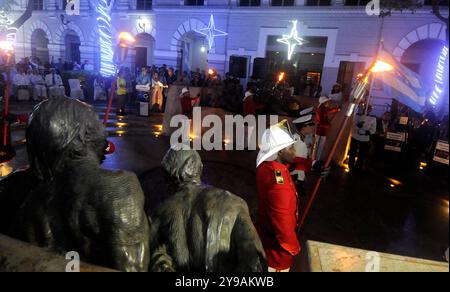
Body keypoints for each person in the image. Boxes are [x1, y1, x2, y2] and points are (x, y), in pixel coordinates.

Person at [0, 97, 150, 271]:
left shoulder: (18, 191)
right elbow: (132, 267)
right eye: (97, 125)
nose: (104, 133)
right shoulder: (118, 188)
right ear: (82, 135)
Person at [149, 147, 267, 272]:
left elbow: (154, 258)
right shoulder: (233, 203)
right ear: (200, 168)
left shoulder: (158, 212)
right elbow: (255, 263)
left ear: (168, 176)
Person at [255, 120, 301, 272]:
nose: (295, 151)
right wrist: (293, 248)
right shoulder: (280, 187)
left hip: (264, 238)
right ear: (280, 151)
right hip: (277, 256)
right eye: (291, 148)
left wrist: (313, 164)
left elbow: (291, 163)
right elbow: (284, 226)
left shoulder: (267, 167)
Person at [348, 104, 377, 172]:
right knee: (352, 152)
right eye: (365, 108)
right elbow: (353, 125)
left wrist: (365, 132)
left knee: (362, 154)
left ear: (370, 110)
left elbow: (373, 130)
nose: (367, 110)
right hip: (355, 136)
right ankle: (351, 166)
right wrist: (359, 127)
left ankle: (358, 167)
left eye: (369, 109)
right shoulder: (357, 116)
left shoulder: (373, 118)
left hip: (364, 138)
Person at [314, 96, 340, 160]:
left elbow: (330, 110)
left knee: (320, 147)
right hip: (320, 131)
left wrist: (337, 109)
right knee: (317, 147)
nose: (328, 103)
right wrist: (328, 125)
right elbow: (321, 122)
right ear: (324, 102)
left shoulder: (324, 109)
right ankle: (314, 160)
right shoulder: (320, 110)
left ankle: (317, 160)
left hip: (323, 131)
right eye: (327, 102)